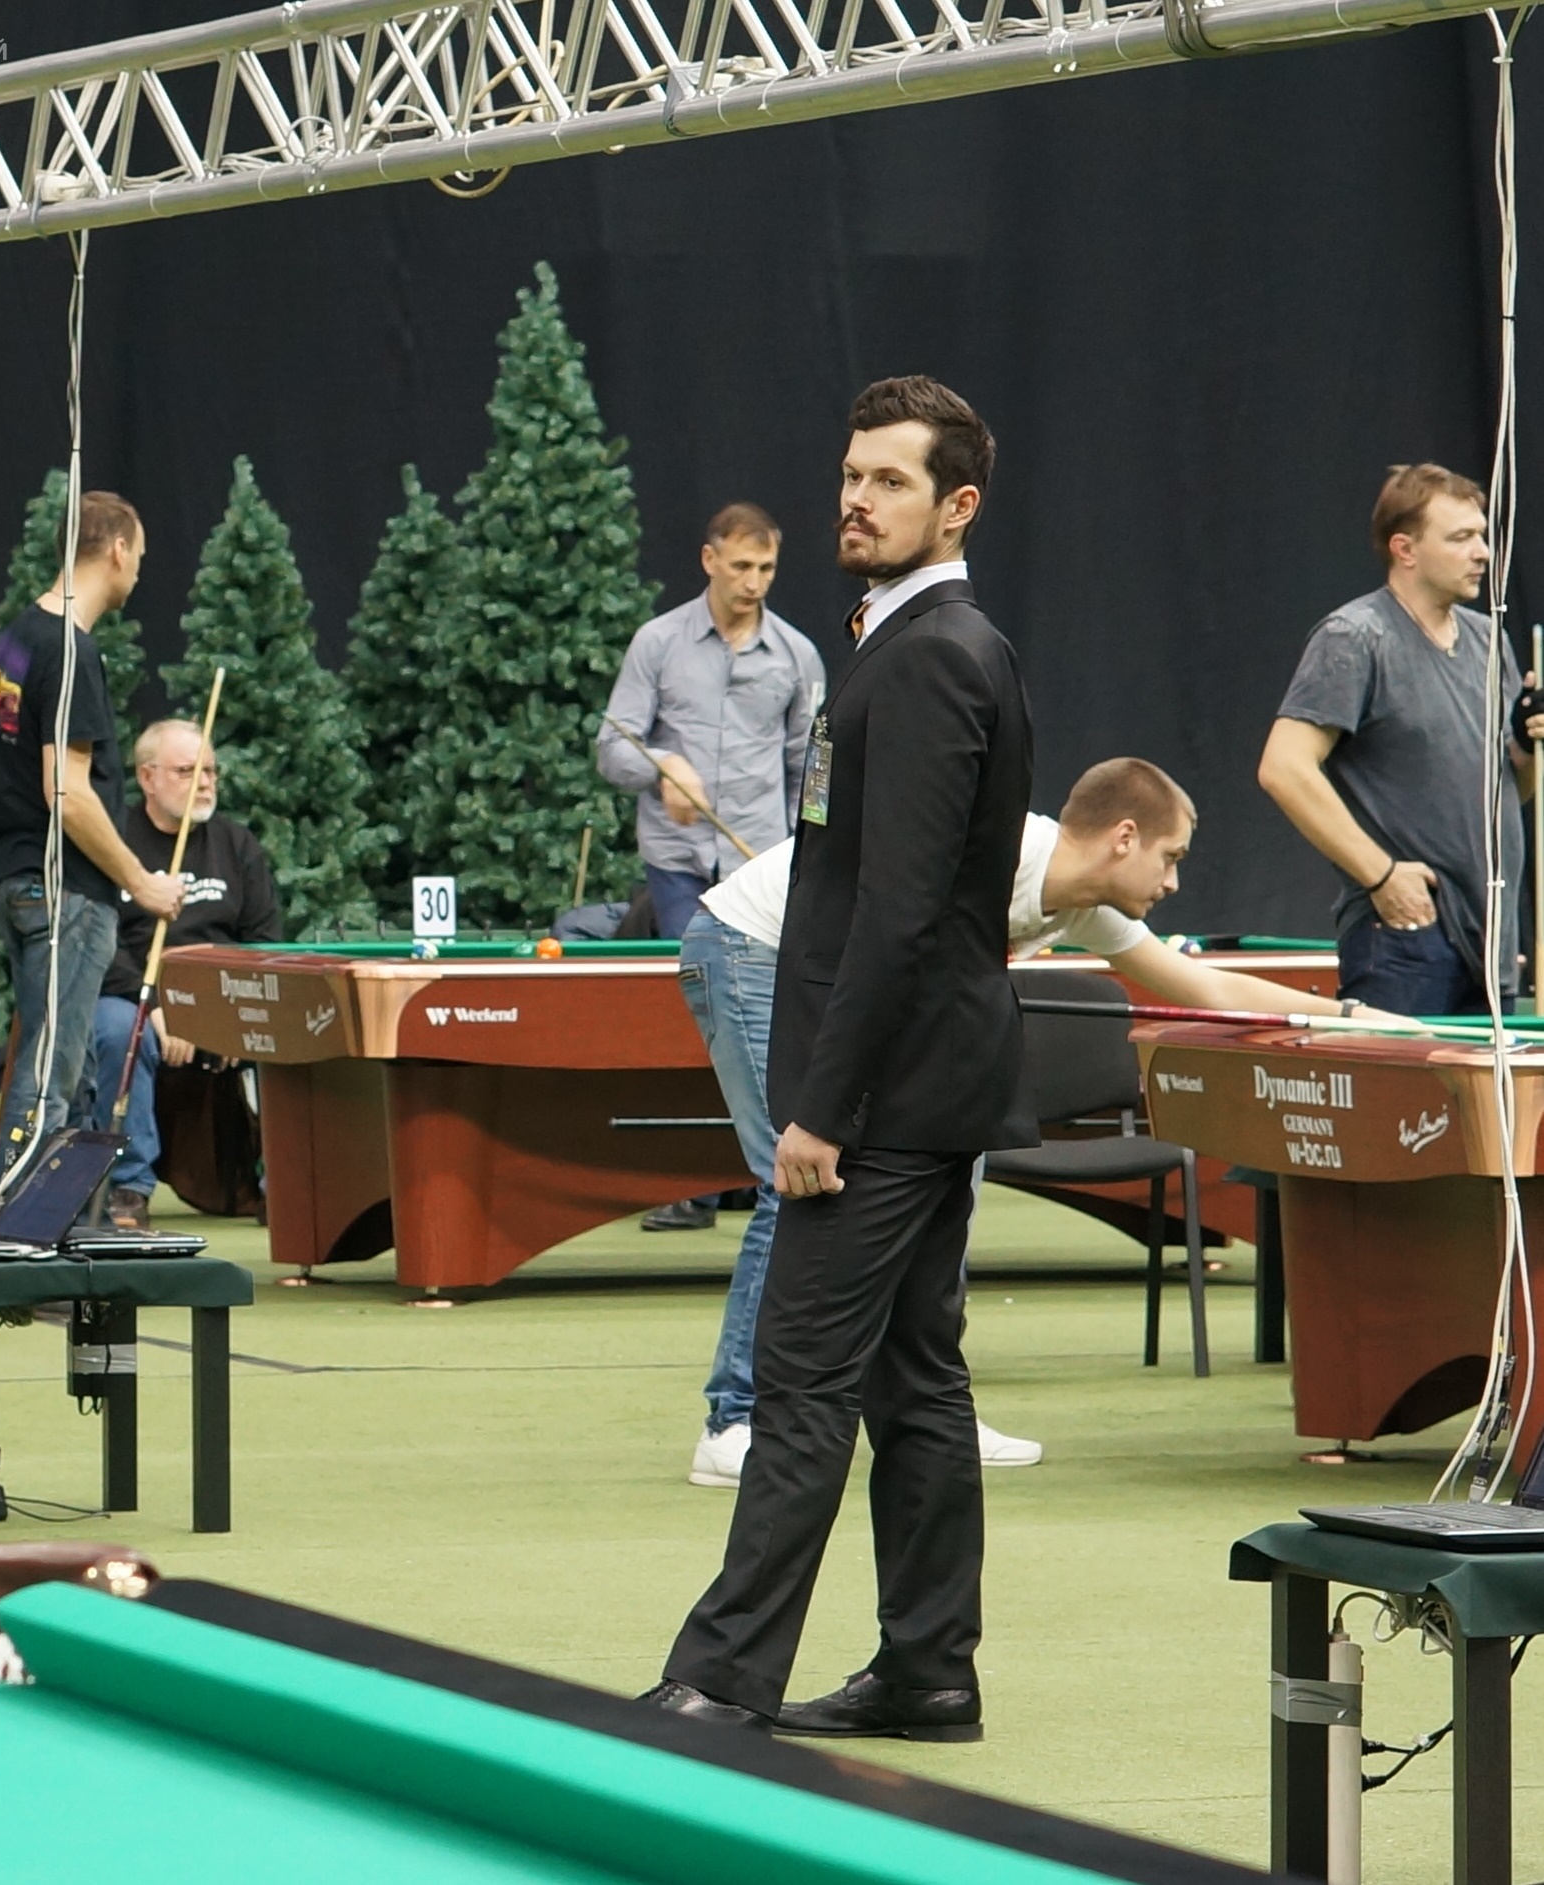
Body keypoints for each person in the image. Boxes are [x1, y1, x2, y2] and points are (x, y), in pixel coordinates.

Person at [642, 374, 1030, 1741]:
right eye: (851, 474)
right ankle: (927, 1672)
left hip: (882, 1098)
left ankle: (716, 1683)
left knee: (800, 1380)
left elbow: (898, 908)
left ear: (955, 505)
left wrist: (822, 1106)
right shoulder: (909, 640)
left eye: (889, 481)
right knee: (912, 1381)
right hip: (924, 1086)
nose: (854, 500)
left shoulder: (930, 653)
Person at [683, 757, 1376, 1491]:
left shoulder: (1081, 905)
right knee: (797, 1181)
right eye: (1169, 857)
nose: (1173, 881)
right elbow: (882, 946)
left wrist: (1354, 1019)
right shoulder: (992, 850)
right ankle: (734, 1422)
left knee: (946, 1177)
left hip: (866, 983)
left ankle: (929, 1412)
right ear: (1123, 837)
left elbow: (1206, 988)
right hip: (755, 948)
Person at [598, 503, 826, 1231]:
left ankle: (760, 1175)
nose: (754, 581)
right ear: (709, 561)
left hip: (761, 874)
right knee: (705, 1019)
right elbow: (612, 747)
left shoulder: (797, 656)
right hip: (680, 866)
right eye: (741, 566)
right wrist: (662, 764)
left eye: (766, 568)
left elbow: (811, 775)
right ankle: (695, 1183)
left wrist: (809, 856)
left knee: (764, 1025)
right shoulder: (658, 643)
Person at [1258, 463, 1544, 1015]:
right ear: (1405, 549)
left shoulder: (1490, 640)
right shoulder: (1355, 636)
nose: (1483, 552)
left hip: (1492, 941)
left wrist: (1528, 747)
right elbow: (1283, 768)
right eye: (1461, 537)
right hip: (1405, 939)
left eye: (1482, 535)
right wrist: (1382, 875)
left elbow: (1513, 794)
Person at [0, 492, 183, 1166]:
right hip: (64, 893)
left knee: (65, 1058)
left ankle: (53, 1208)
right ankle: (20, 1208)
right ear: (116, 550)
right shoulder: (70, 650)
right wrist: (141, 882)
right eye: (139, 555)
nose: (139, 570)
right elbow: (67, 792)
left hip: (15, 880)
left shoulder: (15, 638)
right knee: (54, 1071)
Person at [91, 719, 282, 1230]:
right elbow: (100, 943)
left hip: (222, 997)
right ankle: (129, 1186)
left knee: (288, 1033)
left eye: (211, 772)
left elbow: (263, 942)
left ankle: (284, 1185)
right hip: (133, 996)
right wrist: (155, 1007)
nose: (205, 783)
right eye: (187, 771)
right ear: (147, 777)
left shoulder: (236, 845)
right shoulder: (113, 843)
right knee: (118, 1033)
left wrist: (231, 1015)